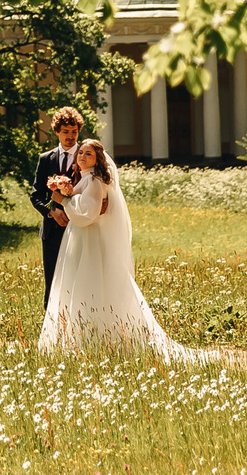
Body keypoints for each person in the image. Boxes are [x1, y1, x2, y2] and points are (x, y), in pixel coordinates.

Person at [38, 138, 209, 361]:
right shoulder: (85, 179)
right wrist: (67, 195)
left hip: (90, 241)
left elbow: (86, 215)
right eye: (81, 153)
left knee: (90, 285)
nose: (82, 157)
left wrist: (63, 200)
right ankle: (81, 339)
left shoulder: (96, 182)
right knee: (81, 284)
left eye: (88, 154)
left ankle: (98, 338)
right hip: (81, 239)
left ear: (98, 159)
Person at [27, 107, 84, 307]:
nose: (70, 136)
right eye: (66, 131)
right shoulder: (45, 159)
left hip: (78, 229)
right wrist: (51, 212)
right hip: (51, 232)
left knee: (78, 280)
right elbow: (35, 195)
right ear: (57, 131)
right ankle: (50, 327)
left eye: (74, 132)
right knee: (52, 281)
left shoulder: (85, 157)